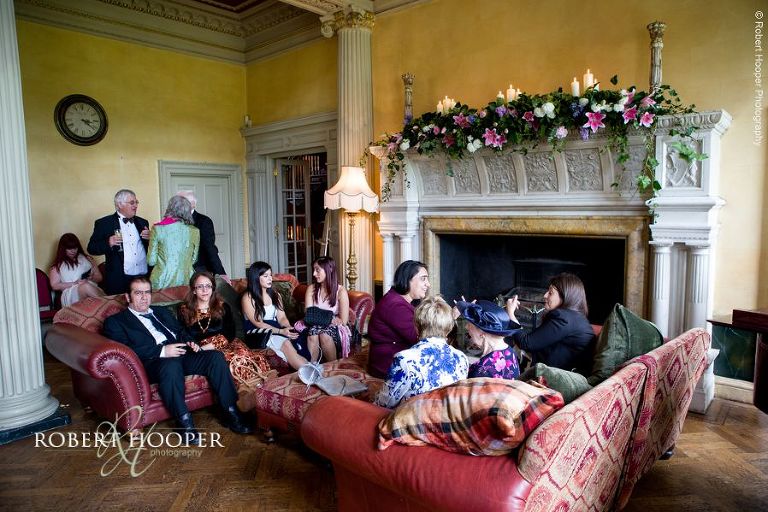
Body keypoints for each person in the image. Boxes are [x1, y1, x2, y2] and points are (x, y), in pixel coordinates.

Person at [102, 277, 252, 445]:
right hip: (153, 362)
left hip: (181, 354)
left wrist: (191, 343)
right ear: (128, 297)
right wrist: (162, 351)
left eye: (147, 293)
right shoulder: (116, 322)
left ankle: (231, 412)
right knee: (171, 364)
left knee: (215, 357)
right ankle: (185, 423)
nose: (144, 297)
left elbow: (181, 331)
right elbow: (125, 350)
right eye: (138, 293)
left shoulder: (161, 312)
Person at [179, 271, 274, 388]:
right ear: (193, 290)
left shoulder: (222, 306)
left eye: (208, 286)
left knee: (248, 357)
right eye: (200, 287)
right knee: (233, 362)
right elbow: (184, 335)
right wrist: (197, 348)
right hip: (204, 351)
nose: (205, 290)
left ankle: (262, 392)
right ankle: (244, 395)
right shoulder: (184, 310)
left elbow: (230, 333)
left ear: (213, 288)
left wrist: (205, 348)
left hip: (227, 343)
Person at [374, 296, 468, 409]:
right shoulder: (462, 358)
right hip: (446, 423)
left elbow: (384, 403)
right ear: (448, 329)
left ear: (417, 327)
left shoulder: (405, 359)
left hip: (413, 423)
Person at [506, 273, 595, 374]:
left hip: (559, 379)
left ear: (565, 296)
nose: (545, 295)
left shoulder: (563, 318)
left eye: (551, 292)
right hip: (565, 372)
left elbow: (526, 343)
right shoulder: (576, 318)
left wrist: (510, 313)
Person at [367, 260, 430, 378]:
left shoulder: (399, 299)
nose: (428, 284)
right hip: (388, 364)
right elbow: (420, 340)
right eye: (423, 279)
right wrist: (449, 318)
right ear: (408, 280)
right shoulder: (396, 306)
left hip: (397, 358)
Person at [241, 261, 305, 369]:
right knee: (286, 344)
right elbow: (258, 323)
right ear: (256, 278)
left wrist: (288, 328)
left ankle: (313, 371)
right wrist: (280, 331)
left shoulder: (276, 295)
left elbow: (282, 317)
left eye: (270, 275)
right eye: (265, 276)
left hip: (275, 329)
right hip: (259, 334)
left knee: (299, 339)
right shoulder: (248, 298)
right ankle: (312, 375)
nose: (270, 278)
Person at [87, 189, 150, 295]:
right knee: (119, 309)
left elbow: (148, 247)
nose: (135, 205)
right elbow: (91, 248)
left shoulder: (142, 222)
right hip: (119, 278)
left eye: (136, 202)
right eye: (132, 202)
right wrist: (108, 242)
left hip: (142, 277)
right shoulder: (104, 223)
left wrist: (150, 238)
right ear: (120, 204)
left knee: (143, 308)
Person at [456, 300, 521, 380]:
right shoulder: (510, 352)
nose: (466, 327)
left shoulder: (481, 370)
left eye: (469, 323)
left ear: (482, 332)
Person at [303, 256, 351, 362]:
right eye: (314, 270)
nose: (314, 274)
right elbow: (308, 314)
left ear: (329, 270)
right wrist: (329, 317)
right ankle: (312, 369)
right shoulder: (311, 289)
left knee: (324, 334)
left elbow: (343, 321)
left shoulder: (340, 291)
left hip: (335, 328)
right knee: (313, 332)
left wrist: (317, 315)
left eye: (317, 270)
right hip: (315, 324)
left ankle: (333, 367)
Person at [147, 195, 200, 290]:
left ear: (170, 208)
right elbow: (194, 259)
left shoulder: (158, 229)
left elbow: (151, 261)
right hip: (186, 280)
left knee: (161, 304)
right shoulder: (195, 231)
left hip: (162, 281)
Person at [176, 190, 229, 283]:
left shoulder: (204, 221)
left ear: (192, 204)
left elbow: (209, 248)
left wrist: (220, 272)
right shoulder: (172, 221)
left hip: (198, 270)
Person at [48, 233, 105, 306]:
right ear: (63, 248)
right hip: (70, 293)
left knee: (86, 285)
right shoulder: (57, 266)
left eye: (75, 248)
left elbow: (99, 278)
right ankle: (109, 304)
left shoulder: (88, 259)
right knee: (85, 286)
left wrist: (91, 278)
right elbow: (54, 285)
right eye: (69, 248)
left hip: (91, 287)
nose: (73, 251)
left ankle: (107, 305)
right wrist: (75, 283)